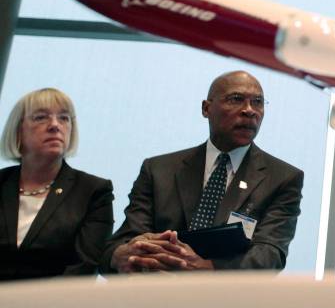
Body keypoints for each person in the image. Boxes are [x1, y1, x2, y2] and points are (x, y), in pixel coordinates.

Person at [102, 70, 303, 272]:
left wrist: (204, 268)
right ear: (206, 108)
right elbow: (125, 241)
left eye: (258, 102)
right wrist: (121, 255)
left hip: (227, 299)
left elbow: (269, 255)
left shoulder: (282, 178)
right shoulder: (158, 170)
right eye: (236, 99)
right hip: (158, 295)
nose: (249, 110)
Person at [0, 88, 113, 279]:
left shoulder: (93, 192)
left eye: (64, 118)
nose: (55, 125)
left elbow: (83, 269)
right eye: (41, 117)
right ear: (18, 130)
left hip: (53, 305)